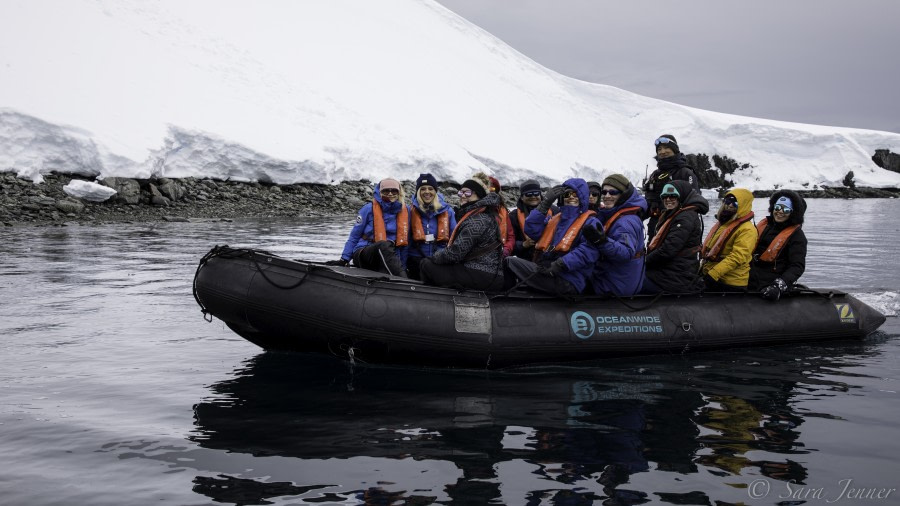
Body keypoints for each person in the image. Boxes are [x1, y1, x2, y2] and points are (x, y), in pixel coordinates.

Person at [505, 178, 601, 296]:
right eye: (567, 194)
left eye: (575, 194)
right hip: (548, 271)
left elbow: (589, 251)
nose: (571, 197)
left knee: (510, 262)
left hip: (568, 279)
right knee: (509, 262)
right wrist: (544, 205)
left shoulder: (591, 222)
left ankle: (505, 299)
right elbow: (532, 231)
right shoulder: (557, 218)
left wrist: (560, 264)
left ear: (583, 197)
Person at [419, 172, 505, 291]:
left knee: (427, 264)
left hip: (483, 273)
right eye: (461, 192)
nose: (463, 196)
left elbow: (455, 253)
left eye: (468, 193)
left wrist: (434, 256)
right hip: (486, 272)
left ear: (479, 195)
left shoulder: (478, 219)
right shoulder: (480, 215)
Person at [328, 178, 409, 276]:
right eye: (386, 190)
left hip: (389, 256)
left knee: (387, 249)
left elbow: (405, 242)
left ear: (399, 192)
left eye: (394, 190)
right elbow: (354, 236)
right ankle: (403, 280)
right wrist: (344, 259)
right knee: (383, 245)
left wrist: (403, 266)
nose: (390, 193)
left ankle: (400, 277)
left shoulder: (406, 211)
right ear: (380, 192)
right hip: (365, 252)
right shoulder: (368, 209)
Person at [583, 174, 648, 296]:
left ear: (623, 195)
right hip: (615, 277)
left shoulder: (626, 222)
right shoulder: (612, 214)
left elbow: (626, 252)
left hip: (615, 285)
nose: (607, 196)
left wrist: (601, 241)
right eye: (604, 192)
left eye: (613, 192)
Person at [641, 181, 710, 294]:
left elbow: (668, 250)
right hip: (672, 269)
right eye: (665, 196)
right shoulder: (675, 213)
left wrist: (644, 261)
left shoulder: (685, 217)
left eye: (673, 196)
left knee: (635, 280)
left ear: (681, 196)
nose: (668, 199)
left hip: (677, 275)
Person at [748, 191, 808, 301]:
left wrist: (778, 285)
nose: (780, 212)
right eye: (777, 207)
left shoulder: (797, 236)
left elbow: (797, 266)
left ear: (793, 213)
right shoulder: (765, 226)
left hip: (769, 282)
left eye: (786, 209)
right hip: (749, 277)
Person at [642, 134, 700, 242]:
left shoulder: (685, 173)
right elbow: (647, 201)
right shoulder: (655, 175)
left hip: (678, 229)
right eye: (659, 149)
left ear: (675, 150)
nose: (662, 151)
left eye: (666, 148)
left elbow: (694, 203)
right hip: (655, 227)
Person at [699, 188, 757, 292]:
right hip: (713, 275)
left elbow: (737, 257)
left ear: (743, 206)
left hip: (730, 281)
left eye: (735, 203)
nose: (730, 205)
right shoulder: (723, 223)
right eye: (728, 201)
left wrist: (713, 274)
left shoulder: (747, 229)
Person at [406, 173, 457, 281]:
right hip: (415, 259)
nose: (427, 192)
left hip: (439, 259)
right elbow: (406, 240)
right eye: (423, 189)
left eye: (430, 189)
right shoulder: (410, 211)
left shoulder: (448, 211)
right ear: (418, 192)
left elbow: (454, 239)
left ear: (435, 191)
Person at [508, 179, 556, 260]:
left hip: (550, 258)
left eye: (536, 193)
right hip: (526, 259)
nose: (533, 197)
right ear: (522, 197)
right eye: (528, 194)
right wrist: (523, 244)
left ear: (540, 195)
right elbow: (509, 242)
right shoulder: (513, 216)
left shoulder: (555, 211)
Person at [489, 176, 516, 257]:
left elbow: (510, 236)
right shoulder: (474, 209)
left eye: (492, 189)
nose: (489, 192)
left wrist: (506, 250)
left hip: (500, 253)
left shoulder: (502, 211)